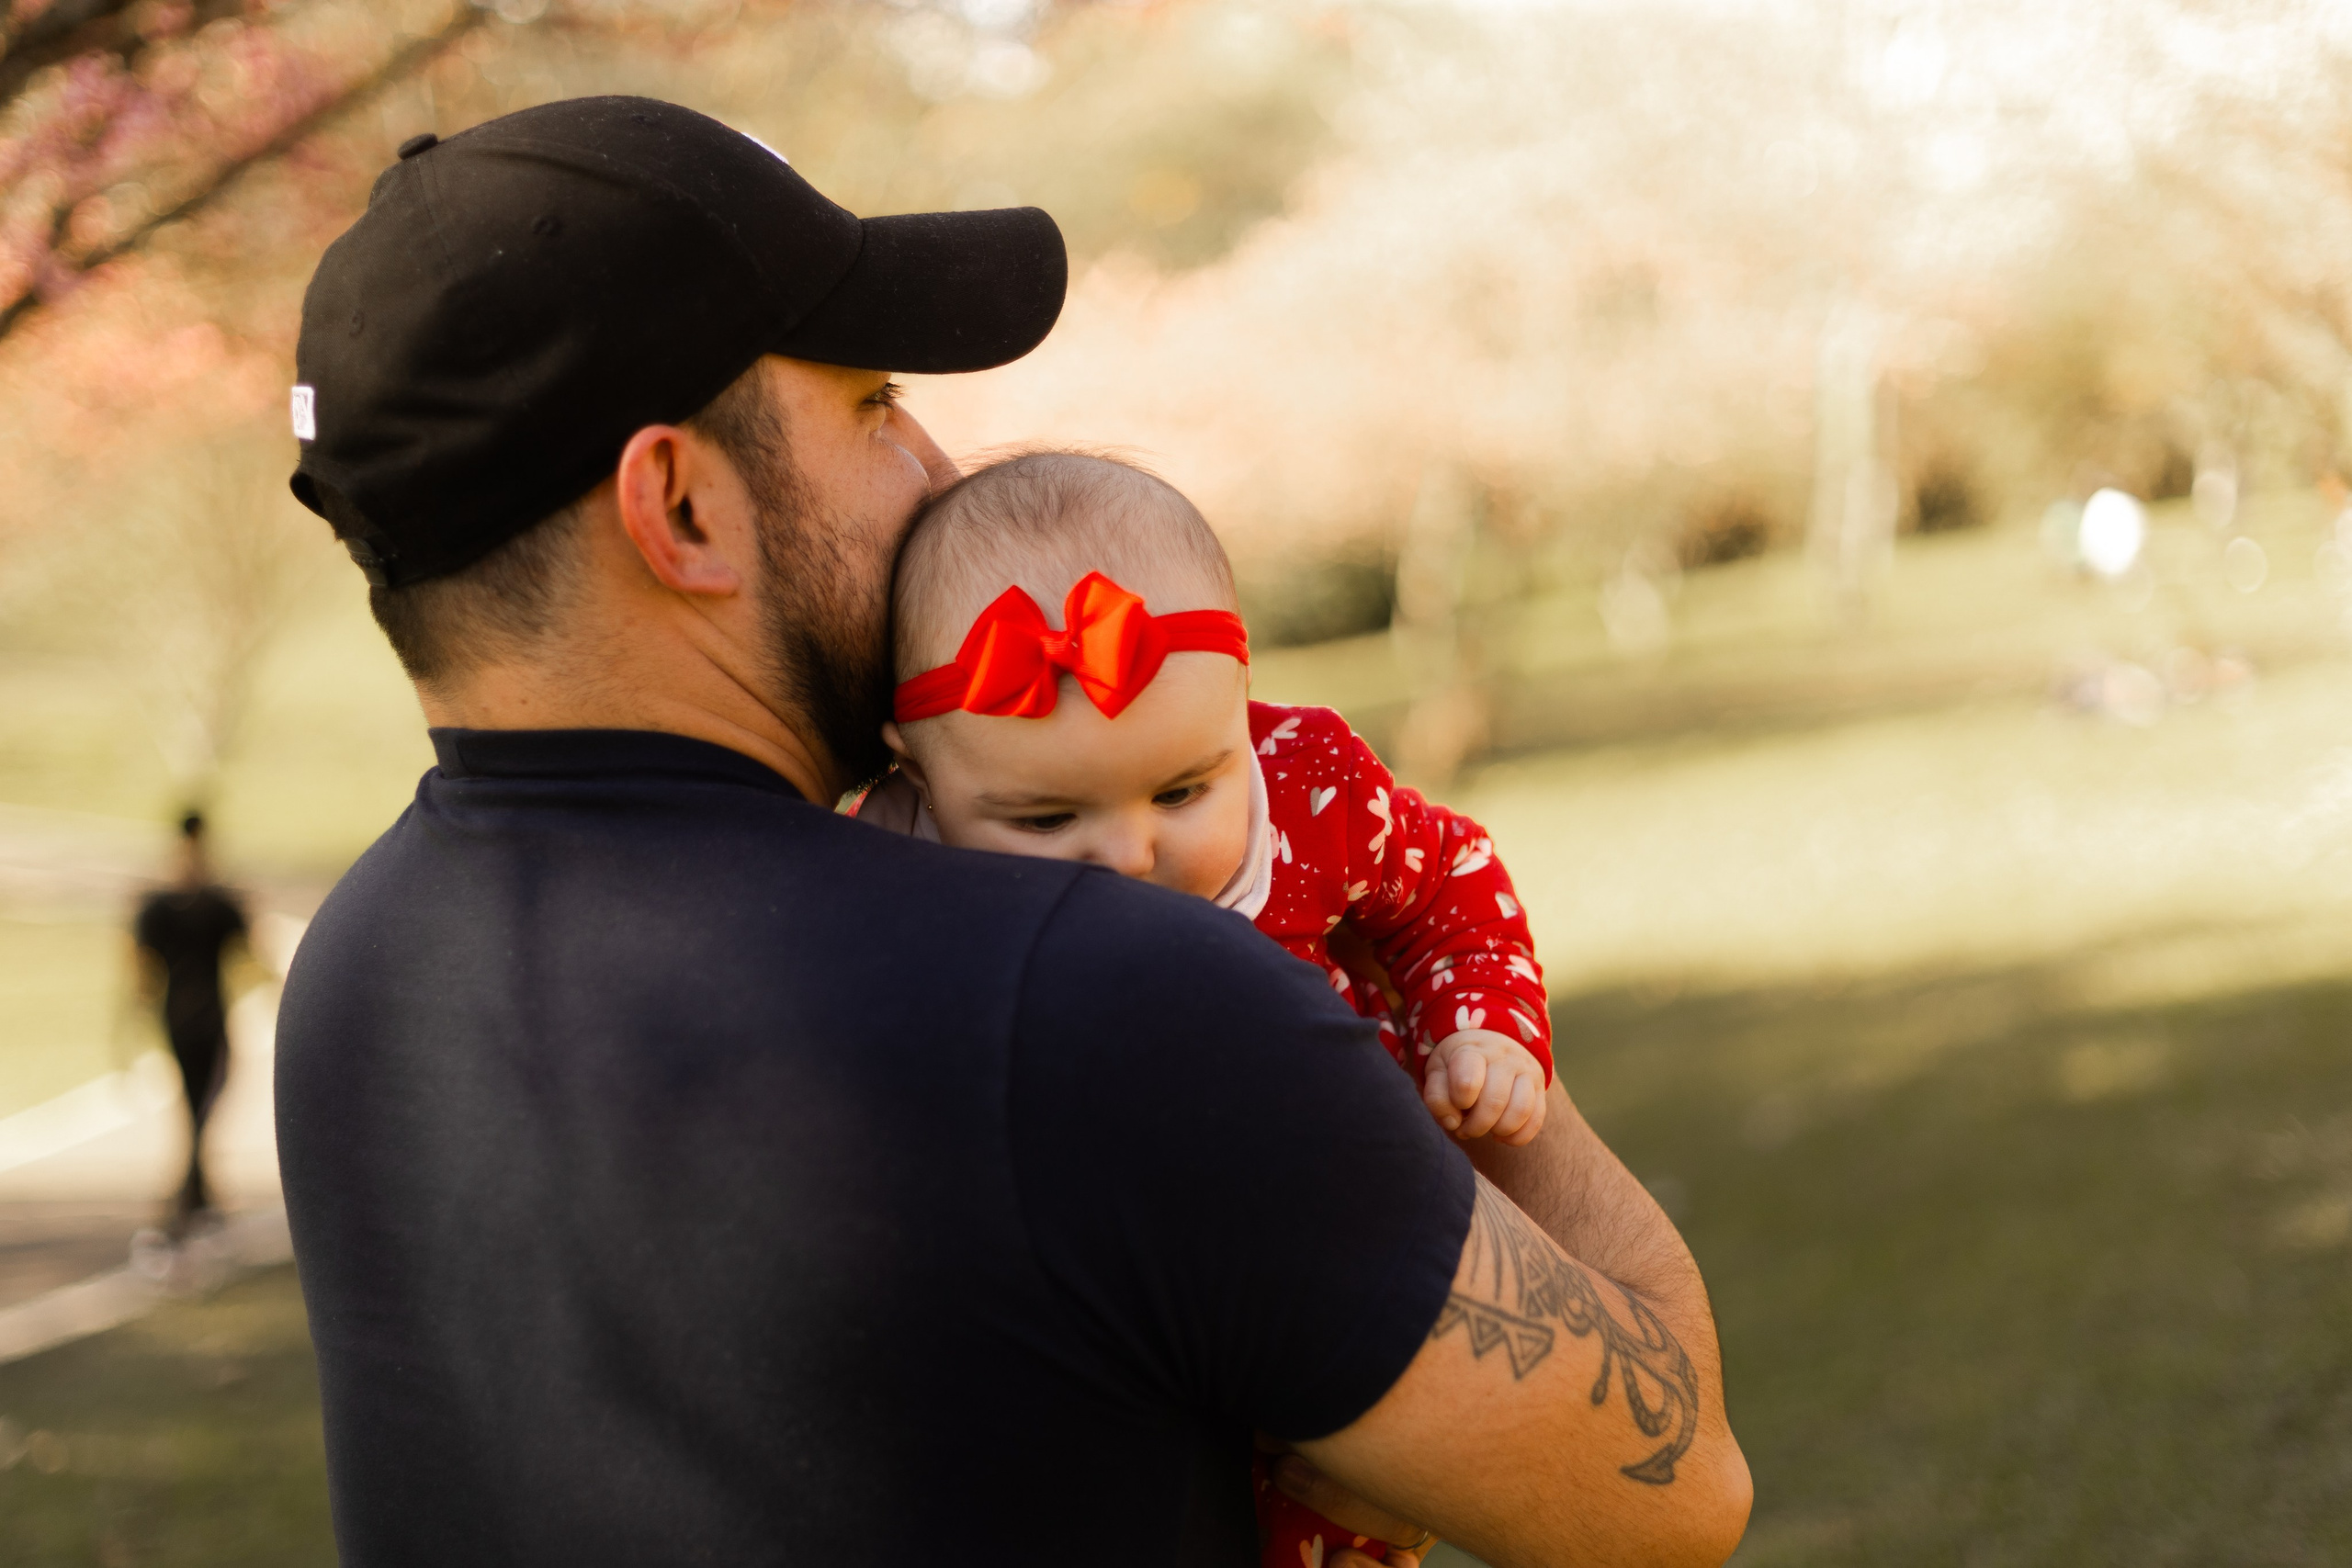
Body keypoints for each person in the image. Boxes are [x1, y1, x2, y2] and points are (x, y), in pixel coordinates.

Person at [274, 96, 1751, 1567]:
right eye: (869, 406)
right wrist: (1472, 1037)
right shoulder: (1099, 989)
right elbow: (1671, 1496)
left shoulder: (360, 982)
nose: (935, 467)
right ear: (681, 506)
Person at [857, 449, 1556, 1565]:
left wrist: (1482, 1024)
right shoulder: (886, 859)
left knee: (1350, 1499)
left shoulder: (1310, 786)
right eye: (1042, 821)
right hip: (1117, 1318)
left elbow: (1449, 881)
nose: (1129, 853)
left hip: (1337, 1255)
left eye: (1184, 791)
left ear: (1241, 705)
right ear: (917, 773)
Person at [131, 810, 247, 1235]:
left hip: (180, 1011)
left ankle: (194, 1185)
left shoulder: (169, 901)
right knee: (202, 1094)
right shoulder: (210, 900)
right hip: (202, 1011)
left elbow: (141, 969)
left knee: (198, 1096)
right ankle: (191, 1186)